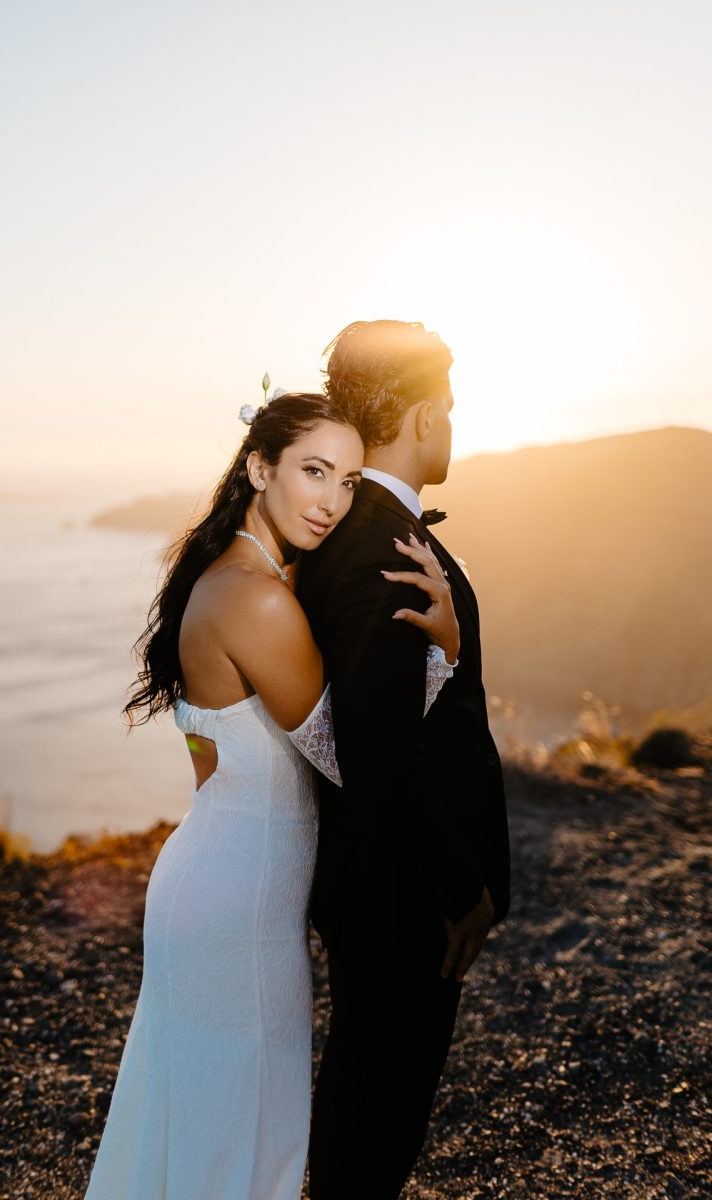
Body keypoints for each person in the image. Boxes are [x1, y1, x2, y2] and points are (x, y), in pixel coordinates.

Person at [81, 390, 461, 1200]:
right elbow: (348, 753)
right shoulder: (255, 596)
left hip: (220, 879)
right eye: (314, 472)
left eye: (350, 482)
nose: (331, 501)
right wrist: (444, 656)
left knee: (209, 1129)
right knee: (242, 1141)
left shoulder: (240, 575)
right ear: (261, 467)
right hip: (238, 901)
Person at [294, 321, 511, 1199]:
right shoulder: (381, 550)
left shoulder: (354, 533)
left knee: (369, 1113)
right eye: (449, 409)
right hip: (403, 898)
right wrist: (461, 889)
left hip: (385, 889)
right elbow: (378, 750)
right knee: (375, 1127)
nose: (454, 425)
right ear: (422, 418)